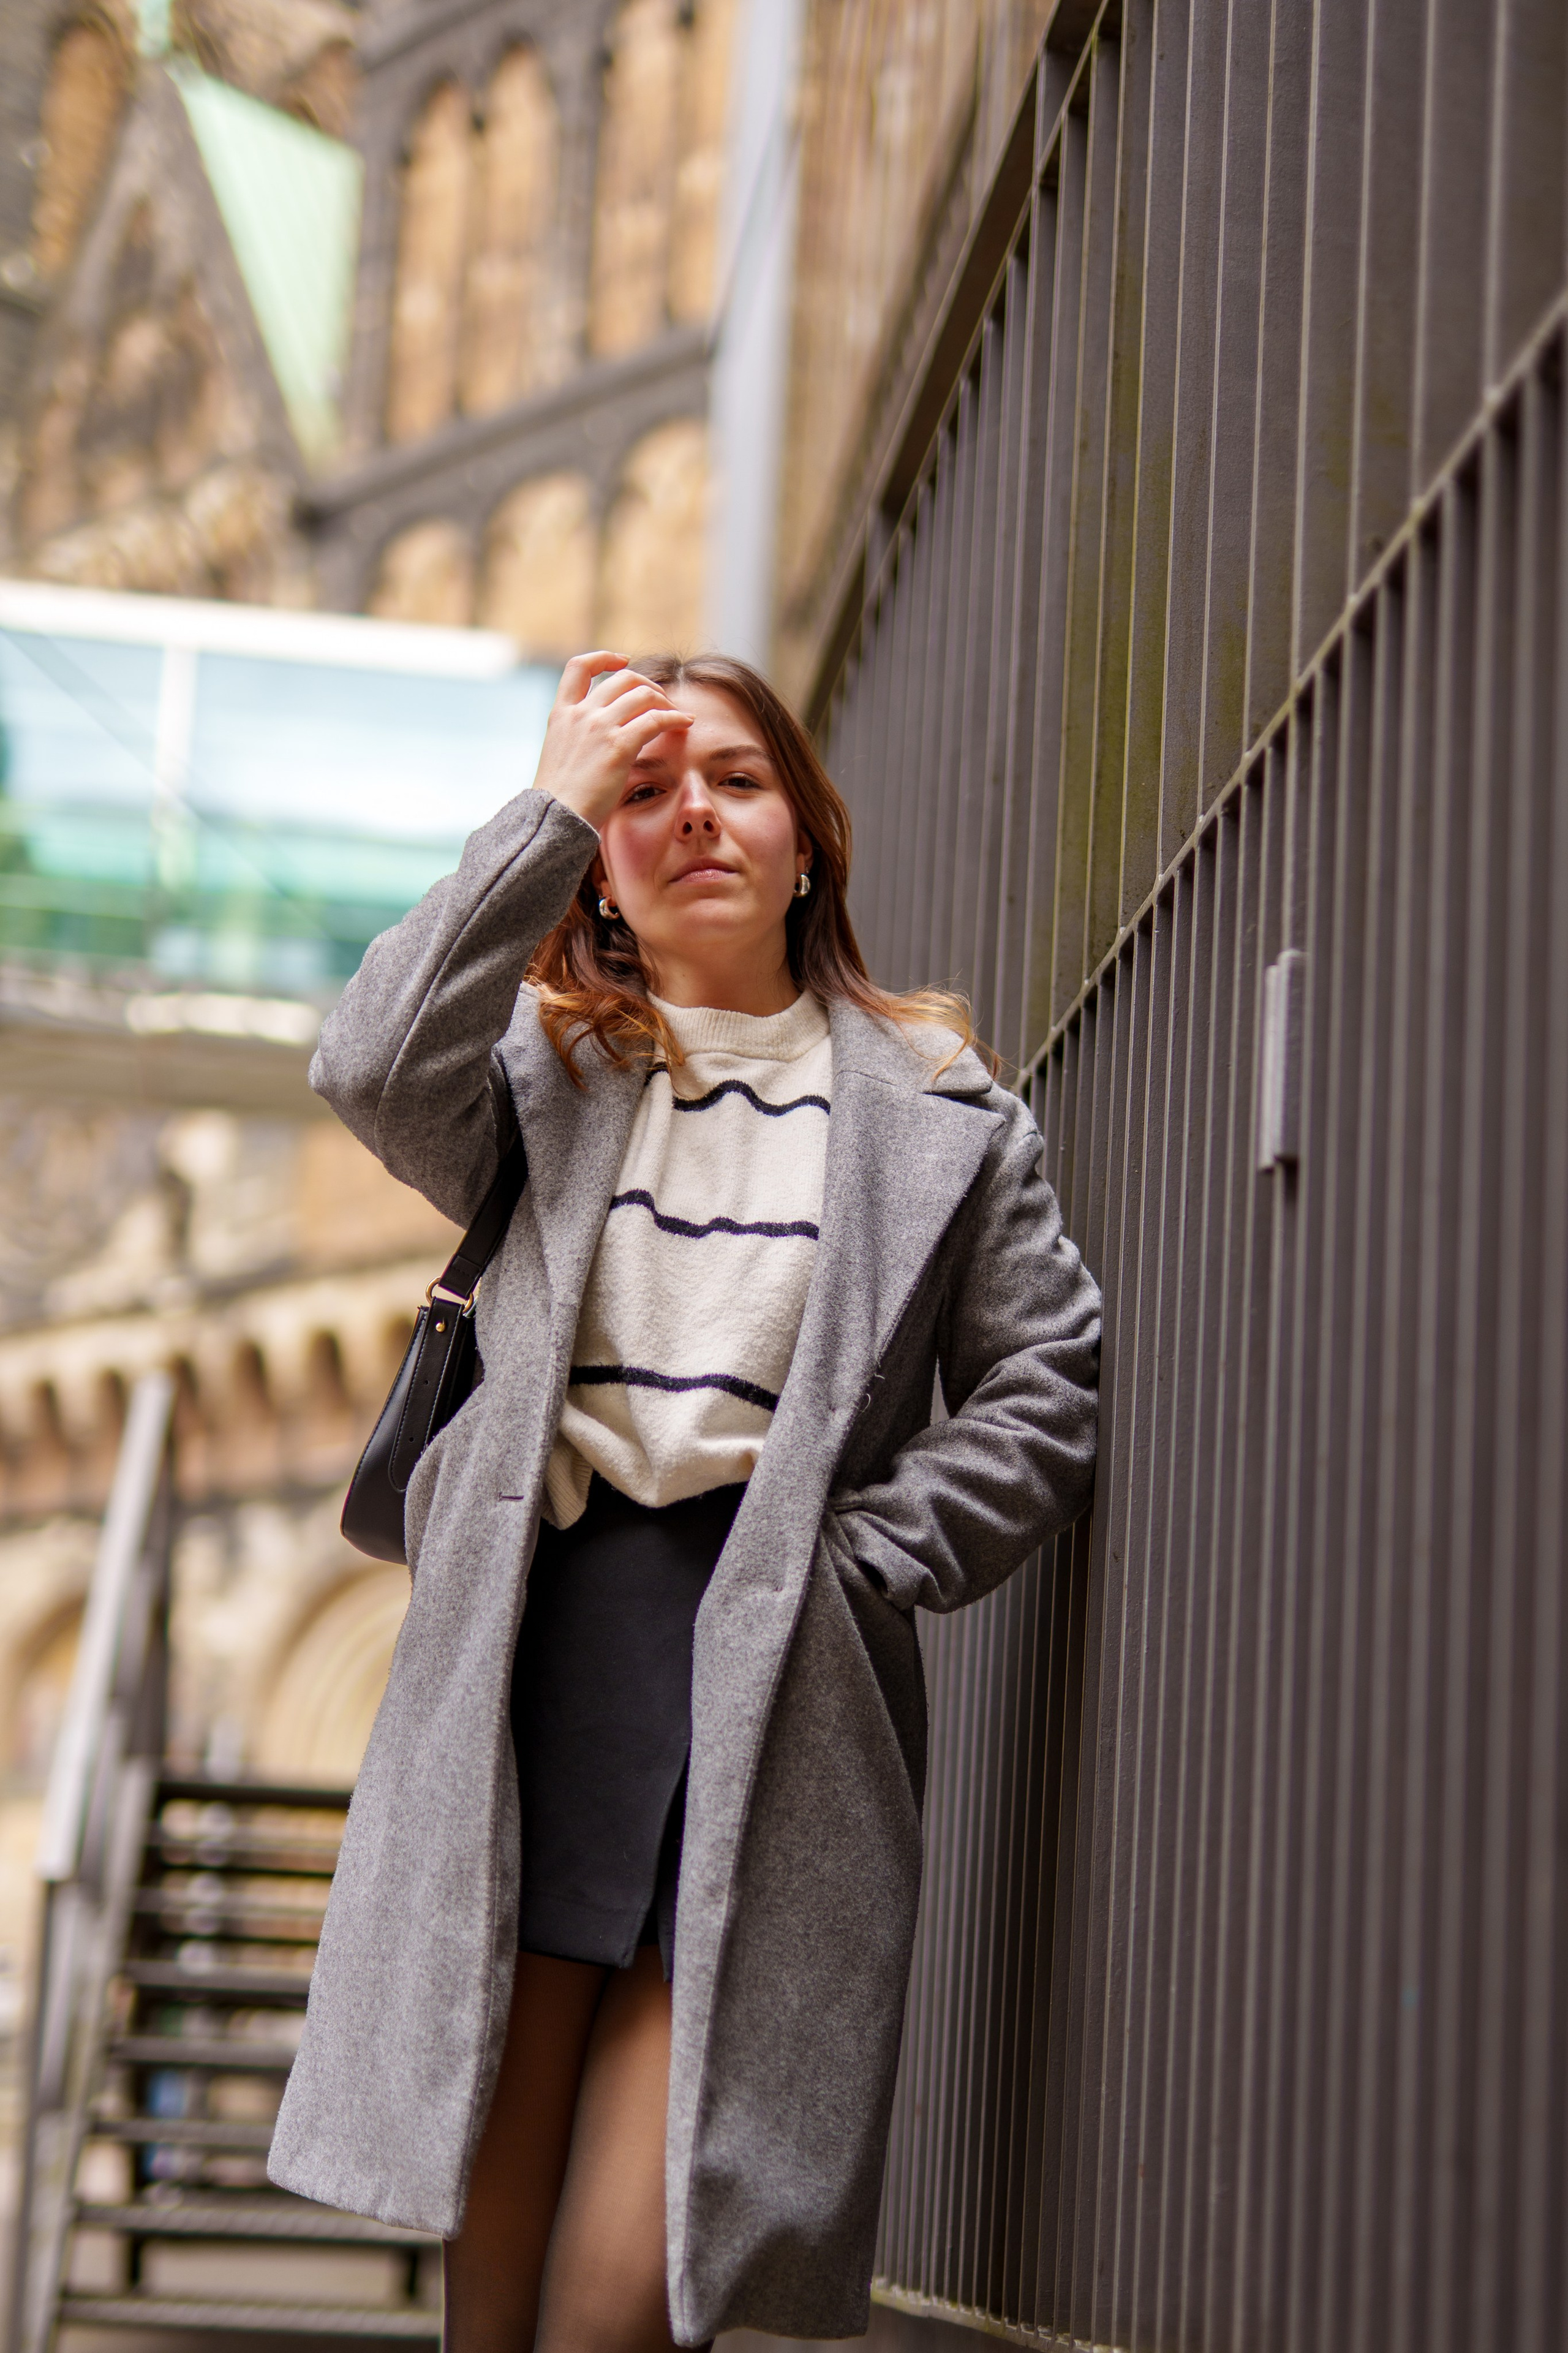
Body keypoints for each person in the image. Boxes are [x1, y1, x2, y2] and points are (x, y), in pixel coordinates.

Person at [268, 652, 1101, 2352]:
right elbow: (365, 1061)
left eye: (736, 778)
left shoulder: (940, 1114)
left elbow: (1048, 1379)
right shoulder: (539, 1082)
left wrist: (868, 1556)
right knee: (489, 2303)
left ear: (812, 838)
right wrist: (550, 803)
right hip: (529, 1671)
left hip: (772, 1690)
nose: (695, 814)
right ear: (601, 873)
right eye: (645, 794)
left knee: (622, 2298)